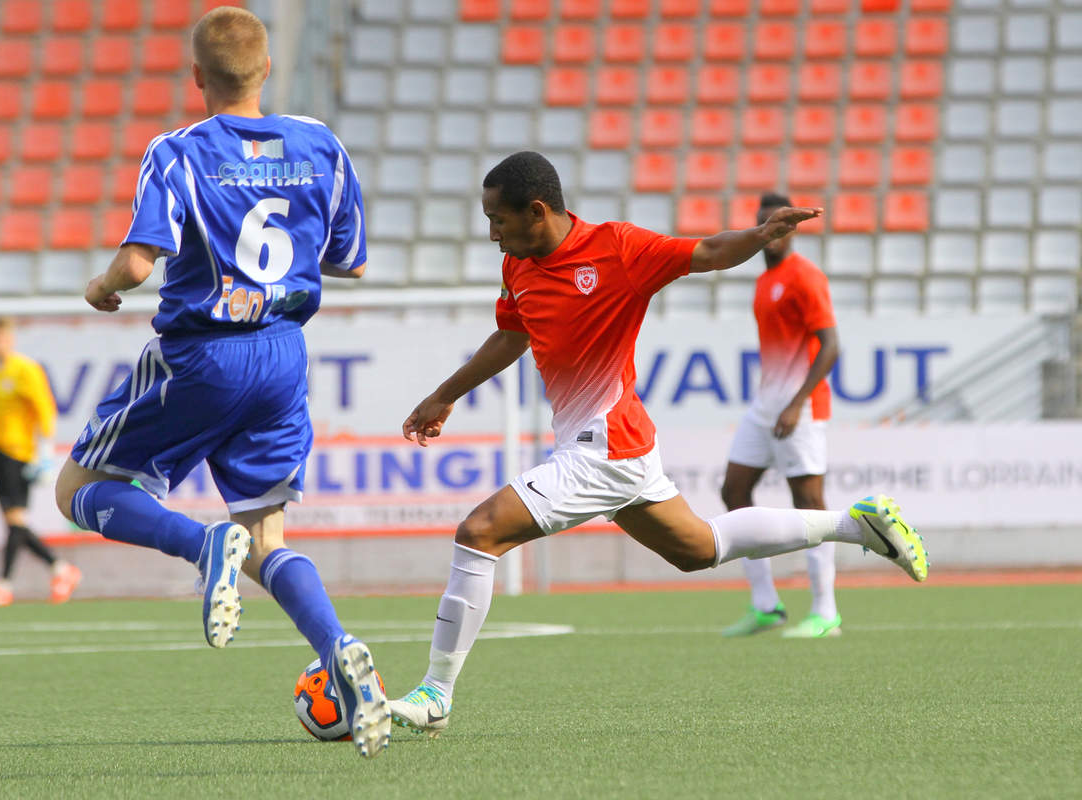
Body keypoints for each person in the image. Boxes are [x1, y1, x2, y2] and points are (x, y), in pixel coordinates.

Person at [390, 151, 927, 736]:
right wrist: (444, 395)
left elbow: (707, 252)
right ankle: (857, 525)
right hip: (617, 447)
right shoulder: (518, 265)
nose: (492, 233)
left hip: (604, 446)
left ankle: (436, 693)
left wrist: (758, 236)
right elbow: (511, 334)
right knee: (699, 548)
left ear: (537, 211)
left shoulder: (618, 249)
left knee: (478, 534)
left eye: (498, 219)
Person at [51, 7, 389, 758]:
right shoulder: (321, 144)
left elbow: (137, 263)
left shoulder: (178, 151)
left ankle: (203, 546)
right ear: (266, 69)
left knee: (76, 489)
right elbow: (353, 260)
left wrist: (102, 286)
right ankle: (338, 647)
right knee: (267, 536)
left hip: (204, 354)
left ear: (197, 76)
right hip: (284, 356)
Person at [720, 191, 843, 639]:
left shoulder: (805, 277)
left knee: (809, 505)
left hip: (800, 409)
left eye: (779, 223)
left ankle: (826, 612)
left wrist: (796, 403)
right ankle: (766, 605)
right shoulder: (763, 282)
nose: (771, 232)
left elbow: (831, 346)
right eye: (764, 223)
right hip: (765, 405)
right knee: (733, 491)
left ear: (791, 228)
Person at [0, 316, 81, 607]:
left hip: (20, 452)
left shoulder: (26, 370)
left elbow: (44, 410)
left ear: (12, 339)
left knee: (15, 520)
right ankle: (60, 569)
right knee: (13, 522)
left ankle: (4, 584)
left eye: (4, 338)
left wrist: (45, 453)